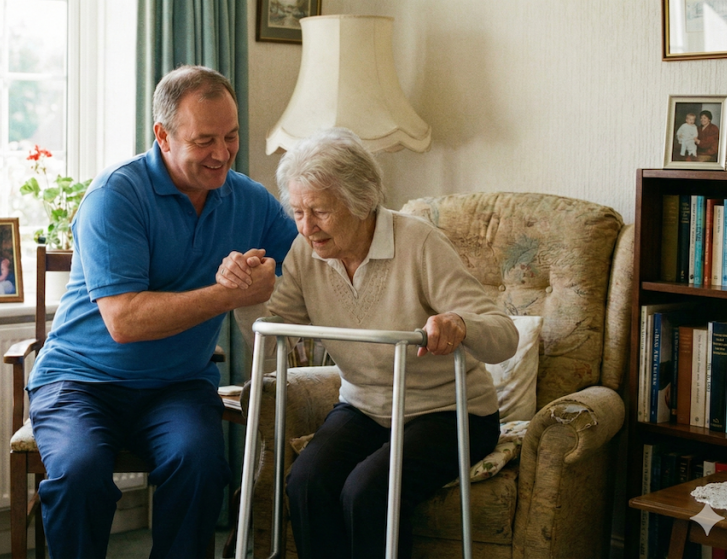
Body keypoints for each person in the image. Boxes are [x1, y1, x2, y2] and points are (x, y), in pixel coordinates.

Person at [25, 65, 298, 559]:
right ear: (163, 136)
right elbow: (124, 321)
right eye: (205, 140)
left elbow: (312, 258)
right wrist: (229, 293)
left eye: (232, 137)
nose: (222, 154)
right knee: (80, 473)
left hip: (178, 385)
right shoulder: (116, 196)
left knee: (201, 464)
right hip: (80, 382)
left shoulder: (250, 201)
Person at [217, 128, 519, 559]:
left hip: (450, 413)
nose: (306, 227)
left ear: (360, 201)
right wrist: (242, 293)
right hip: (365, 407)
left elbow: (503, 335)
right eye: (298, 212)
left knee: (367, 490)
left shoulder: (419, 243)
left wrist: (459, 323)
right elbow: (271, 339)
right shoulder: (307, 254)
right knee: (305, 481)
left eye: (319, 211)